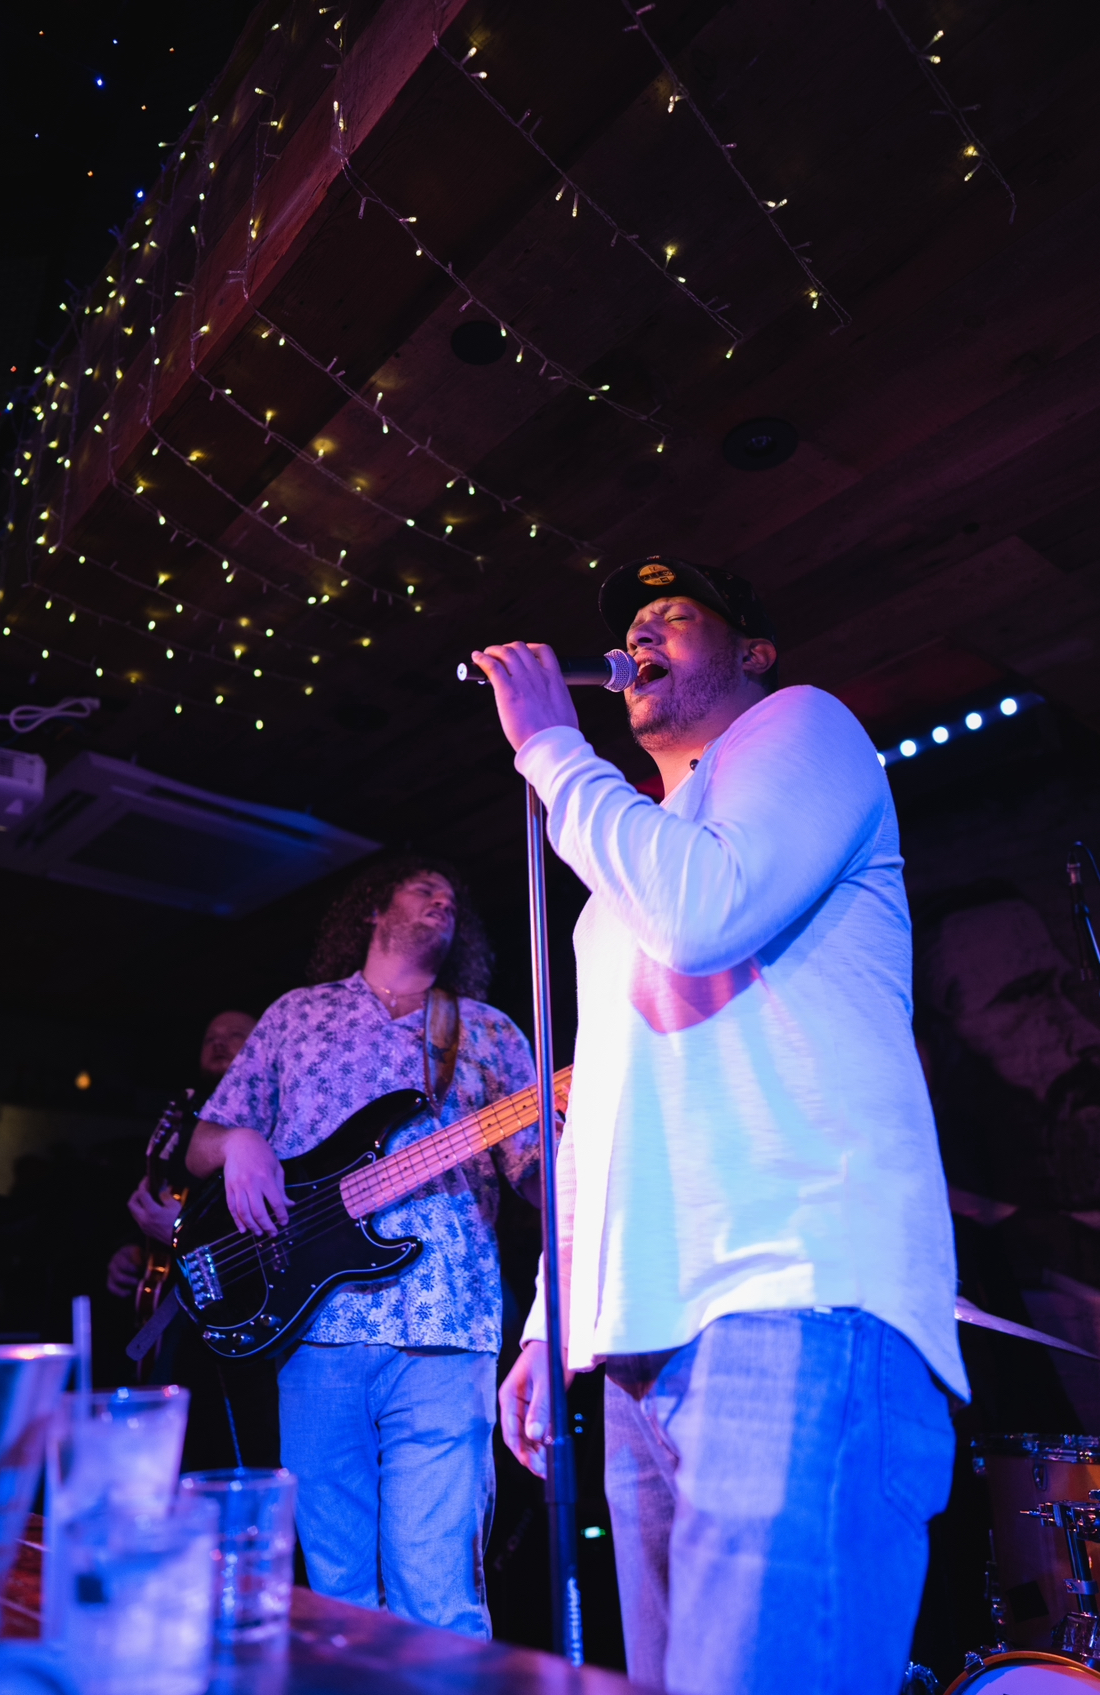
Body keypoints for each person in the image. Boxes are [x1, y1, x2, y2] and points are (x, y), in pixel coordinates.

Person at [473, 556, 968, 1695]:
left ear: (752, 652)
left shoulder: (807, 730)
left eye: (673, 618)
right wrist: (554, 1316)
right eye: (632, 624)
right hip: (645, 1340)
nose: (641, 636)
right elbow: (601, 1103)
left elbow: (707, 915)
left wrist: (552, 747)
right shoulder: (623, 873)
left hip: (798, 1301)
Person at [186, 859, 539, 1638]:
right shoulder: (295, 1016)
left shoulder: (486, 1030)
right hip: (313, 1327)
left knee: (437, 1594)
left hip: (446, 1328)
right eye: (423, 888)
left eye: (452, 896)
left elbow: (536, 1181)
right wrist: (240, 1139)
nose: (443, 898)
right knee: (338, 1597)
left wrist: (574, 1150)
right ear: (374, 910)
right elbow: (201, 1142)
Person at [106, 1009, 258, 1298]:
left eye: (235, 1035)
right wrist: (131, 1252)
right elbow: (161, 1207)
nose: (218, 1043)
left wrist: (184, 1234)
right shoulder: (182, 1125)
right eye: (210, 1038)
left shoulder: (275, 1127)